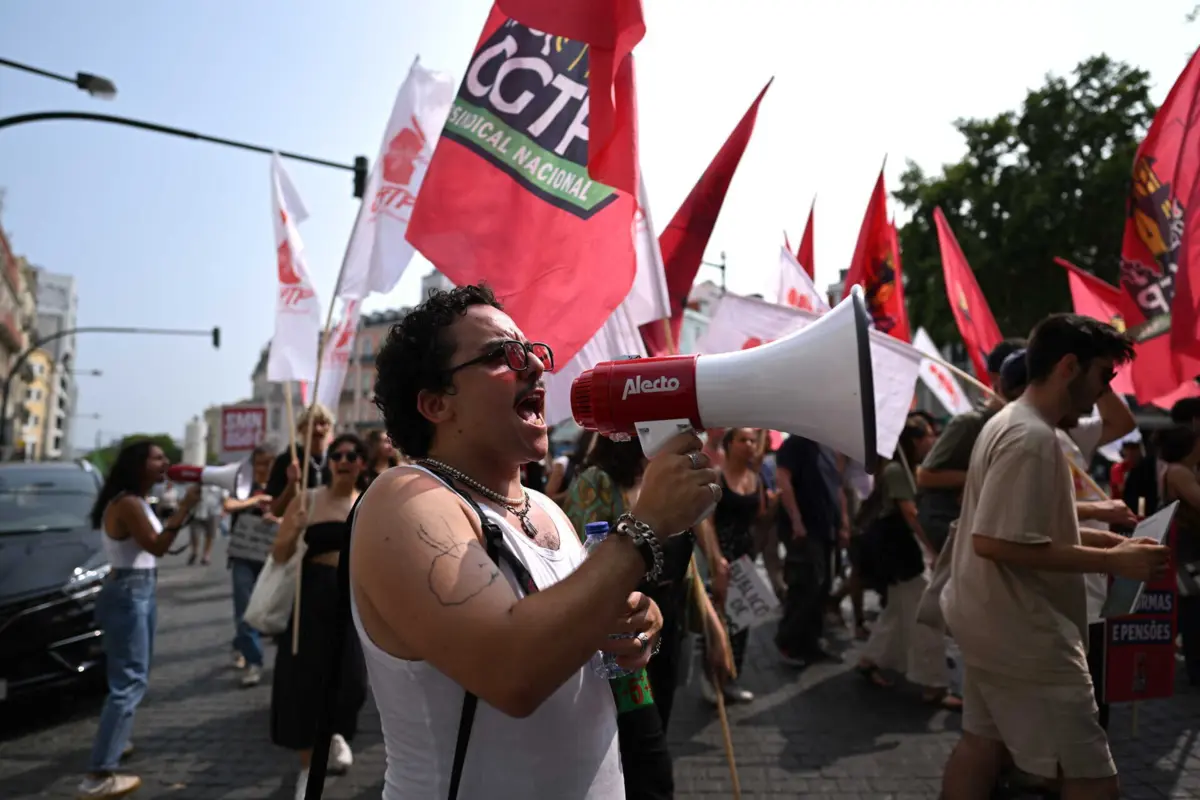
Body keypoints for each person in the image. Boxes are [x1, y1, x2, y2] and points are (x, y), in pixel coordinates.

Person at [350, 285, 720, 799]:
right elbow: (512, 672)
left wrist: (632, 624)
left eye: (533, 352)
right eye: (504, 355)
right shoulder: (404, 498)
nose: (536, 368)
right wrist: (642, 529)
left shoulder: (545, 508)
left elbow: (565, 632)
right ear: (436, 403)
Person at [939, 314, 1170, 800]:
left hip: (989, 617)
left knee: (982, 743)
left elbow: (1036, 522)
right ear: (1069, 367)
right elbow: (996, 542)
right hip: (1025, 628)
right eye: (1104, 376)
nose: (1106, 389)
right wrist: (1113, 562)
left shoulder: (1014, 423)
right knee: (1092, 776)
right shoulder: (1033, 437)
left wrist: (1115, 545)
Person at [562, 434, 729, 799]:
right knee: (639, 749)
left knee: (657, 729)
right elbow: (582, 569)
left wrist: (714, 629)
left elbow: (687, 571)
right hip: (621, 632)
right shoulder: (597, 481)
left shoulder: (668, 484)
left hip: (668, 621)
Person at [78, 441, 202, 799]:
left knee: (133, 674)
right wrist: (184, 509)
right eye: (158, 457)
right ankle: (98, 775)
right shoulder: (129, 504)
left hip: (137, 589)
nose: (166, 462)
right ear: (139, 465)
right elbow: (157, 546)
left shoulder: (134, 500)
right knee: (129, 681)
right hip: (130, 592)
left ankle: (115, 740)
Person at [270, 434, 369, 799]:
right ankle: (309, 768)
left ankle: (337, 732)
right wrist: (292, 529)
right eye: (337, 454)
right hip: (311, 596)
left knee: (353, 680)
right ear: (329, 462)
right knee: (303, 682)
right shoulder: (307, 500)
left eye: (352, 455)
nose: (344, 460)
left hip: (354, 597)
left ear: (362, 462)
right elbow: (279, 555)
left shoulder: (369, 502)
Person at [856, 417, 959, 709]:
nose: (934, 440)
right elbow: (911, 513)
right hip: (902, 553)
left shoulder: (908, 469)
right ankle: (933, 685)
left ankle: (870, 660)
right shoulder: (896, 470)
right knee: (928, 614)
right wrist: (933, 549)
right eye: (929, 436)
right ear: (915, 440)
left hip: (900, 553)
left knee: (899, 609)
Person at [916, 339, 1026, 554]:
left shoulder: (1021, 424)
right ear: (997, 379)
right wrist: (983, 477)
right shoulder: (970, 423)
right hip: (958, 530)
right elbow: (925, 476)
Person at [698, 427, 769, 704]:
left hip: (746, 556)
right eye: (743, 440)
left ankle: (730, 678)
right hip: (722, 556)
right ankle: (711, 678)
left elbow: (760, 516)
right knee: (719, 620)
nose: (749, 445)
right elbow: (706, 521)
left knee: (742, 622)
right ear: (729, 444)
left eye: (752, 440)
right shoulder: (717, 477)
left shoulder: (756, 477)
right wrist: (717, 559)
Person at [774, 434, 844, 667]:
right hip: (806, 530)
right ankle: (789, 643)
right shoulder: (795, 444)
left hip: (825, 529)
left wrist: (843, 524)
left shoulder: (826, 447)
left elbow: (838, 488)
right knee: (806, 585)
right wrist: (796, 520)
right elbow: (783, 479)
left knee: (822, 586)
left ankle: (811, 643)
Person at [224, 444, 277, 686]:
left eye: (269, 463)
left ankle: (240, 643)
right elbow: (228, 505)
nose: (264, 468)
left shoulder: (280, 487)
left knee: (263, 610)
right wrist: (255, 500)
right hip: (244, 556)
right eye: (260, 463)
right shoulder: (243, 486)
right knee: (244, 609)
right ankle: (254, 661)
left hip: (270, 557)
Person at [1159, 424, 1200, 685]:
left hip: (1190, 548)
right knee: (1193, 609)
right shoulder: (1178, 471)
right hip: (1188, 551)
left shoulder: (1184, 470)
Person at [266, 403, 333, 517]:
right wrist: (292, 484)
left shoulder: (337, 459)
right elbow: (275, 510)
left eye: (322, 423)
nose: (317, 429)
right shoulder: (287, 460)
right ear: (300, 429)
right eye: (311, 423)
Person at [187, 483, 225, 566]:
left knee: (210, 535)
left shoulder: (219, 484)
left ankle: (206, 555)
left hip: (214, 512)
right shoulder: (197, 483)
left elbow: (224, 498)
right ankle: (195, 551)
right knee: (194, 534)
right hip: (197, 511)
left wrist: (223, 510)